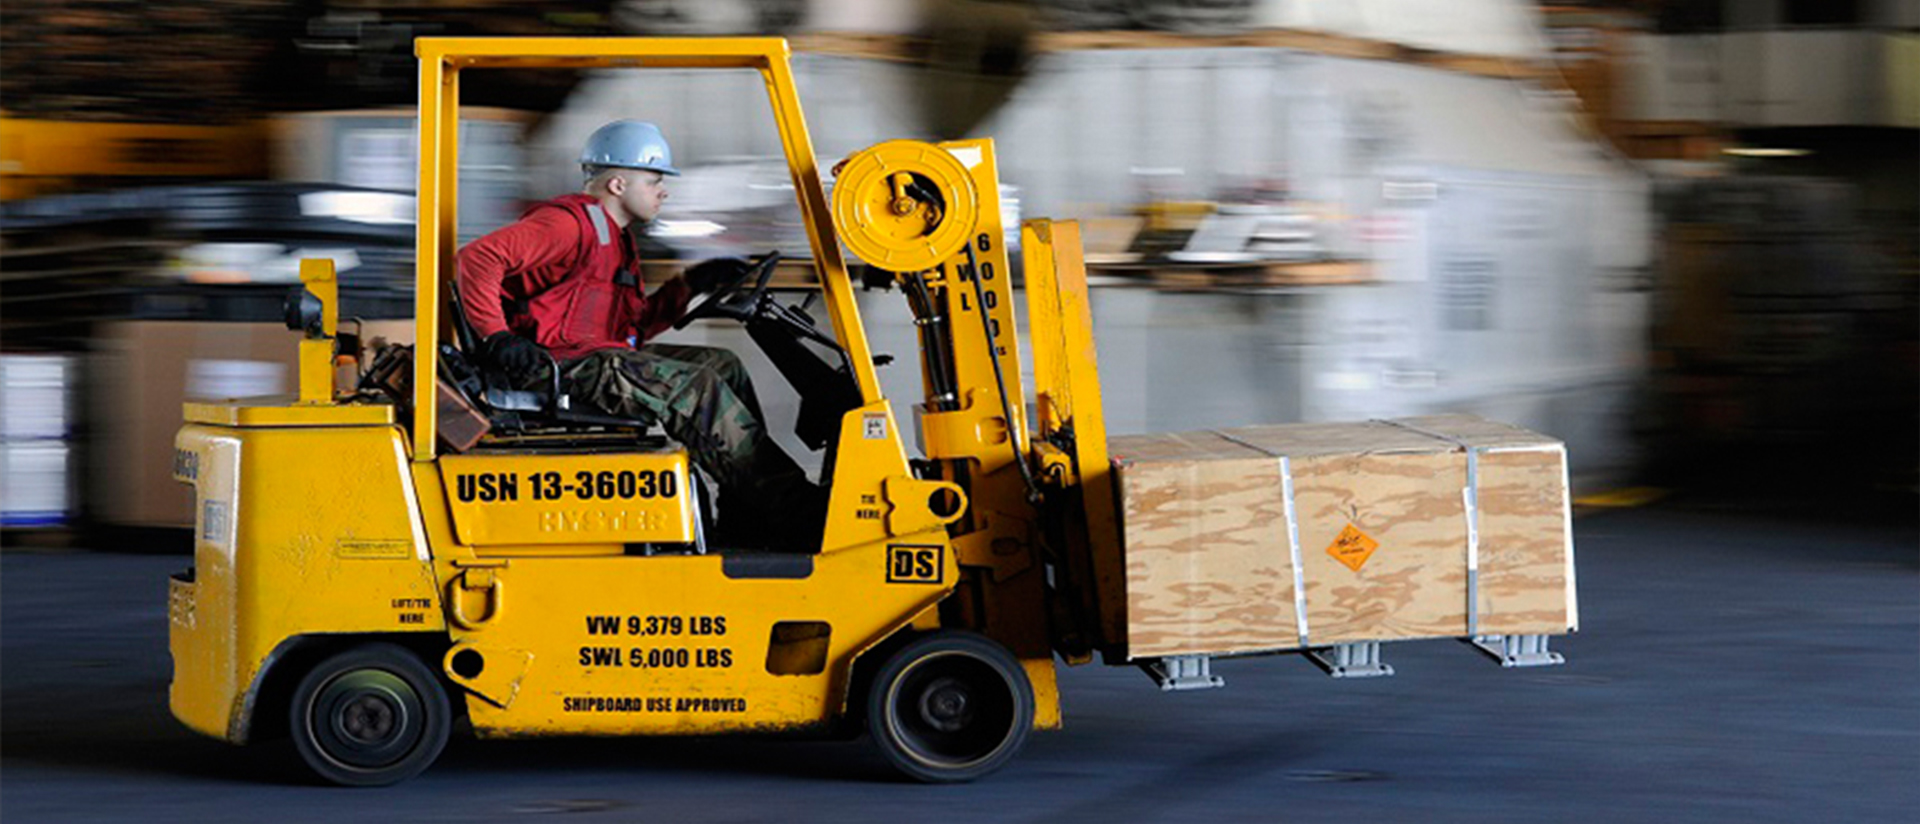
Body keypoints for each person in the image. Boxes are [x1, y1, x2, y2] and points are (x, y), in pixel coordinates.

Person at [455, 119, 824, 551]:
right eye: (654, 181)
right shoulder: (568, 226)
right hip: (553, 366)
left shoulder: (616, 238)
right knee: (695, 387)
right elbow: (477, 258)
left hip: (589, 358)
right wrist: (497, 336)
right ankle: (796, 511)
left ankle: (750, 512)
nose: (662, 191)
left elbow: (627, 331)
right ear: (616, 183)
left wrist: (689, 285)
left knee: (721, 364)